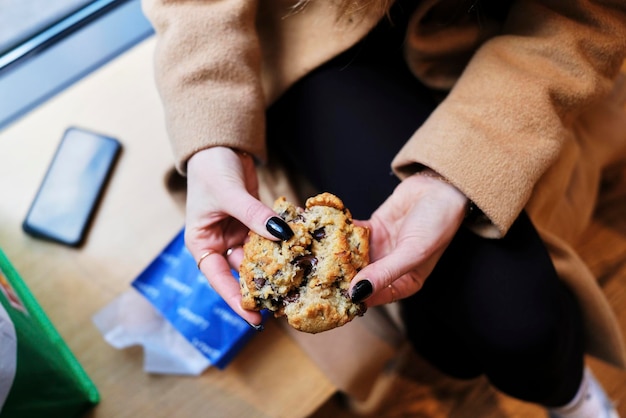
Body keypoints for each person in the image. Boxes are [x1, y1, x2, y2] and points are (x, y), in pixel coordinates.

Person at [142, 0, 626, 416]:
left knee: (521, 323)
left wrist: (456, 174)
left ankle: (569, 394)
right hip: (308, 30)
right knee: (457, 329)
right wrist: (211, 142)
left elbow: (592, 14)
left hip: (512, 30)